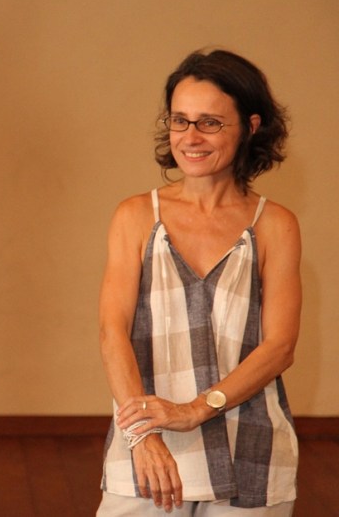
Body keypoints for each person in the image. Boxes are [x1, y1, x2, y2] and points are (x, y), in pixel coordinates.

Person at [97, 49, 301, 516]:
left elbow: (280, 347)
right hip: (149, 452)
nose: (190, 137)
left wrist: (195, 410)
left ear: (250, 126)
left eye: (210, 122)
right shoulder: (135, 216)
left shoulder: (276, 225)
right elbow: (112, 332)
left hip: (250, 450)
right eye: (180, 120)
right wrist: (142, 436)